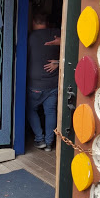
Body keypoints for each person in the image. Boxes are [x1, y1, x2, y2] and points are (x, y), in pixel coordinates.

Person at [26, 13, 60, 152]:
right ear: (47, 23)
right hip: (53, 84)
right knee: (50, 112)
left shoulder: (30, 37)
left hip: (36, 85)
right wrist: (58, 62)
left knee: (30, 109)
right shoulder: (58, 34)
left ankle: (39, 140)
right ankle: (49, 143)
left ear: (33, 21)